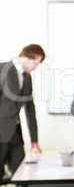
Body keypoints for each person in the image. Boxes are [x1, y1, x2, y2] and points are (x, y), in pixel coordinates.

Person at [0, 44, 44, 180]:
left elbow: (30, 110)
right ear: (26, 58)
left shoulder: (27, 77)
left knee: (22, 174)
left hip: (15, 133)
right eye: (36, 63)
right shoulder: (2, 69)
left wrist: (34, 141)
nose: (36, 67)